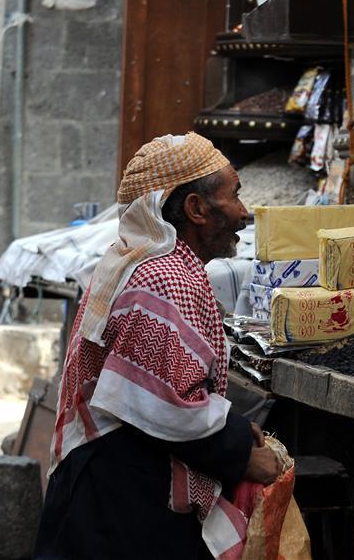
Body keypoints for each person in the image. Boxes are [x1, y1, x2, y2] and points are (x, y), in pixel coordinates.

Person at [34, 133, 282, 559]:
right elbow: (164, 406)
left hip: (112, 491)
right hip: (117, 509)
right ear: (196, 209)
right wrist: (241, 453)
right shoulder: (163, 278)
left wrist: (237, 430)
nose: (244, 214)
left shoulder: (142, 261)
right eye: (235, 196)